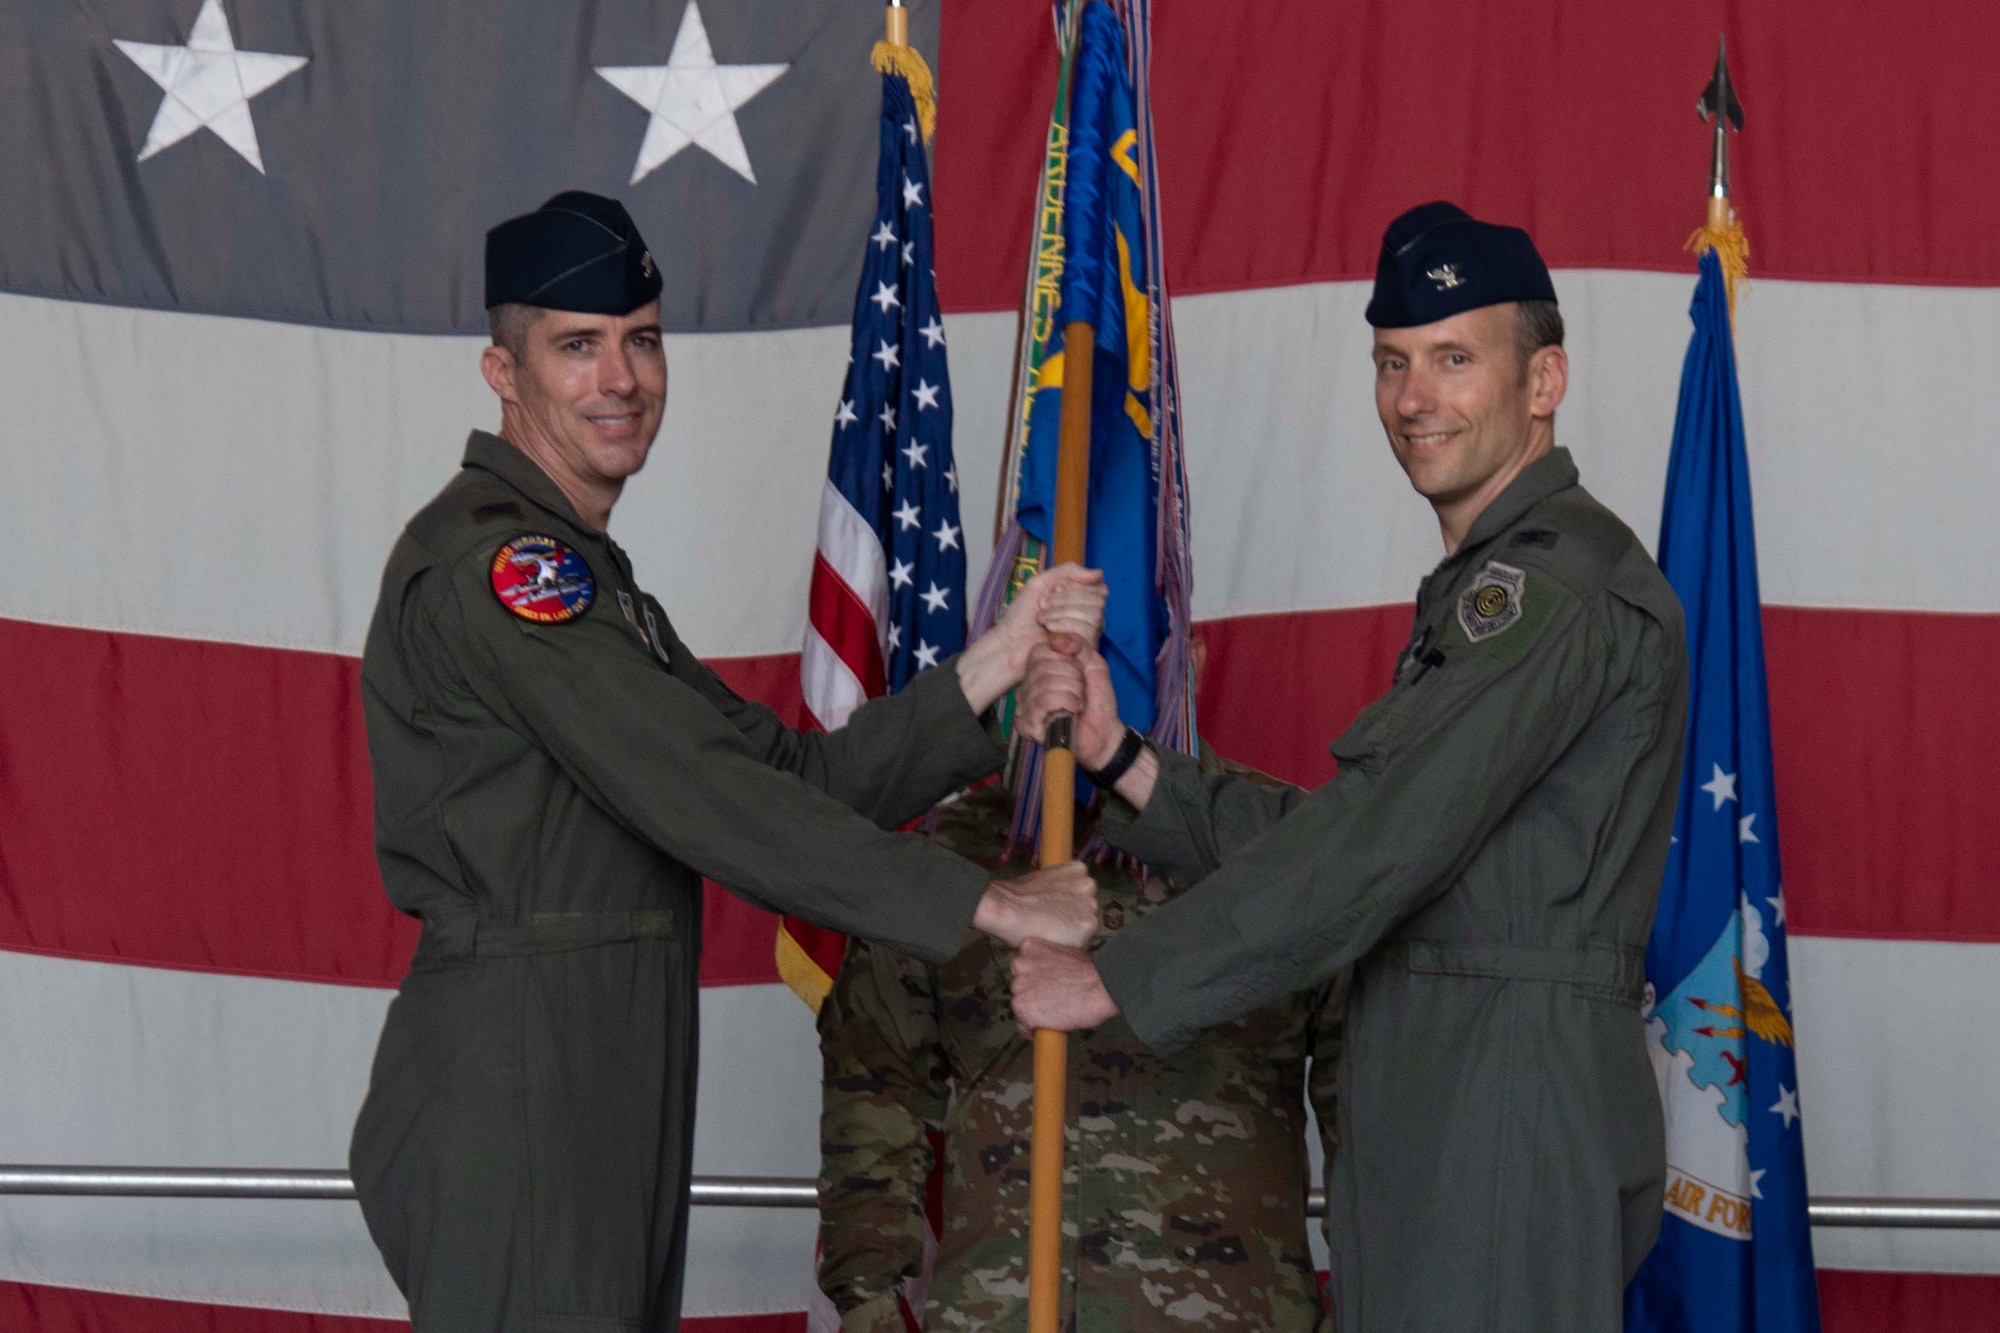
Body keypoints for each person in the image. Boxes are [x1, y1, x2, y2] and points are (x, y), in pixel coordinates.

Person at [350, 191, 1104, 1333]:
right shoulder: (506, 573)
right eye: (575, 347)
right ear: (502, 373)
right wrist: (989, 902)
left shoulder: (586, 574)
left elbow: (784, 774)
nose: (620, 378)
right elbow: (712, 802)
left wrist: (994, 661)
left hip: (594, 1061)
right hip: (518, 1070)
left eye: (640, 339)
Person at [1011, 201, 1689, 1332]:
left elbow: (1376, 838)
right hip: (1450, 1089)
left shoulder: (1545, 589)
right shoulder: (1500, 582)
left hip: (1501, 1104)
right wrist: (1122, 760)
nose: (1414, 399)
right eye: (1392, 363)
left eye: (1453, 359)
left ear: (1542, 380)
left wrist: (1123, 976)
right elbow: (1371, 834)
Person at [816, 643, 1346, 1331]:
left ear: (1193, 652)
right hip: (1001, 1310)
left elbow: (1365, 1110)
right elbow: (874, 1080)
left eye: (1120, 642)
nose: (1090, 672)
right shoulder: (955, 858)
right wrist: (870, 1306)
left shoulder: (1282, 849)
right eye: (1065, 649)